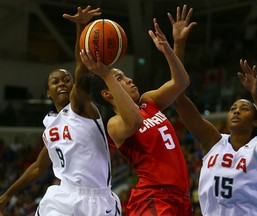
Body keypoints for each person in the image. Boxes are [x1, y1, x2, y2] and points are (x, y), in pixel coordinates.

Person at [0, 6, 121, 216]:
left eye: (67, 80)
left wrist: (80, 27)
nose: (62, 84)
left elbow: (81, 69)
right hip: (63, 196)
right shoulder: (50, 127)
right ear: (48, 93)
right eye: (55, 82)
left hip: (98, 200)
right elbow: (38, 168)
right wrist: (7, 194)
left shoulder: (81, 107)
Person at [79, 5, 197, 216]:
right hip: (153, 198)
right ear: (107, 94)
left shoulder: (148, 101)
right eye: (120, 79)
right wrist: (106, 74)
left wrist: (170, 49)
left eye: (124, 76)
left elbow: (181, 82)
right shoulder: (114, 124)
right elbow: (135, 122)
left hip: (180, 197)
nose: (129, 79)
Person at [174, 59, 257, 215]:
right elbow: (178, 99)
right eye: (233, 109)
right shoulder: (213, 142)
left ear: (255, 121)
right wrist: (177, 45)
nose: (236, 111)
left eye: (244, 109)